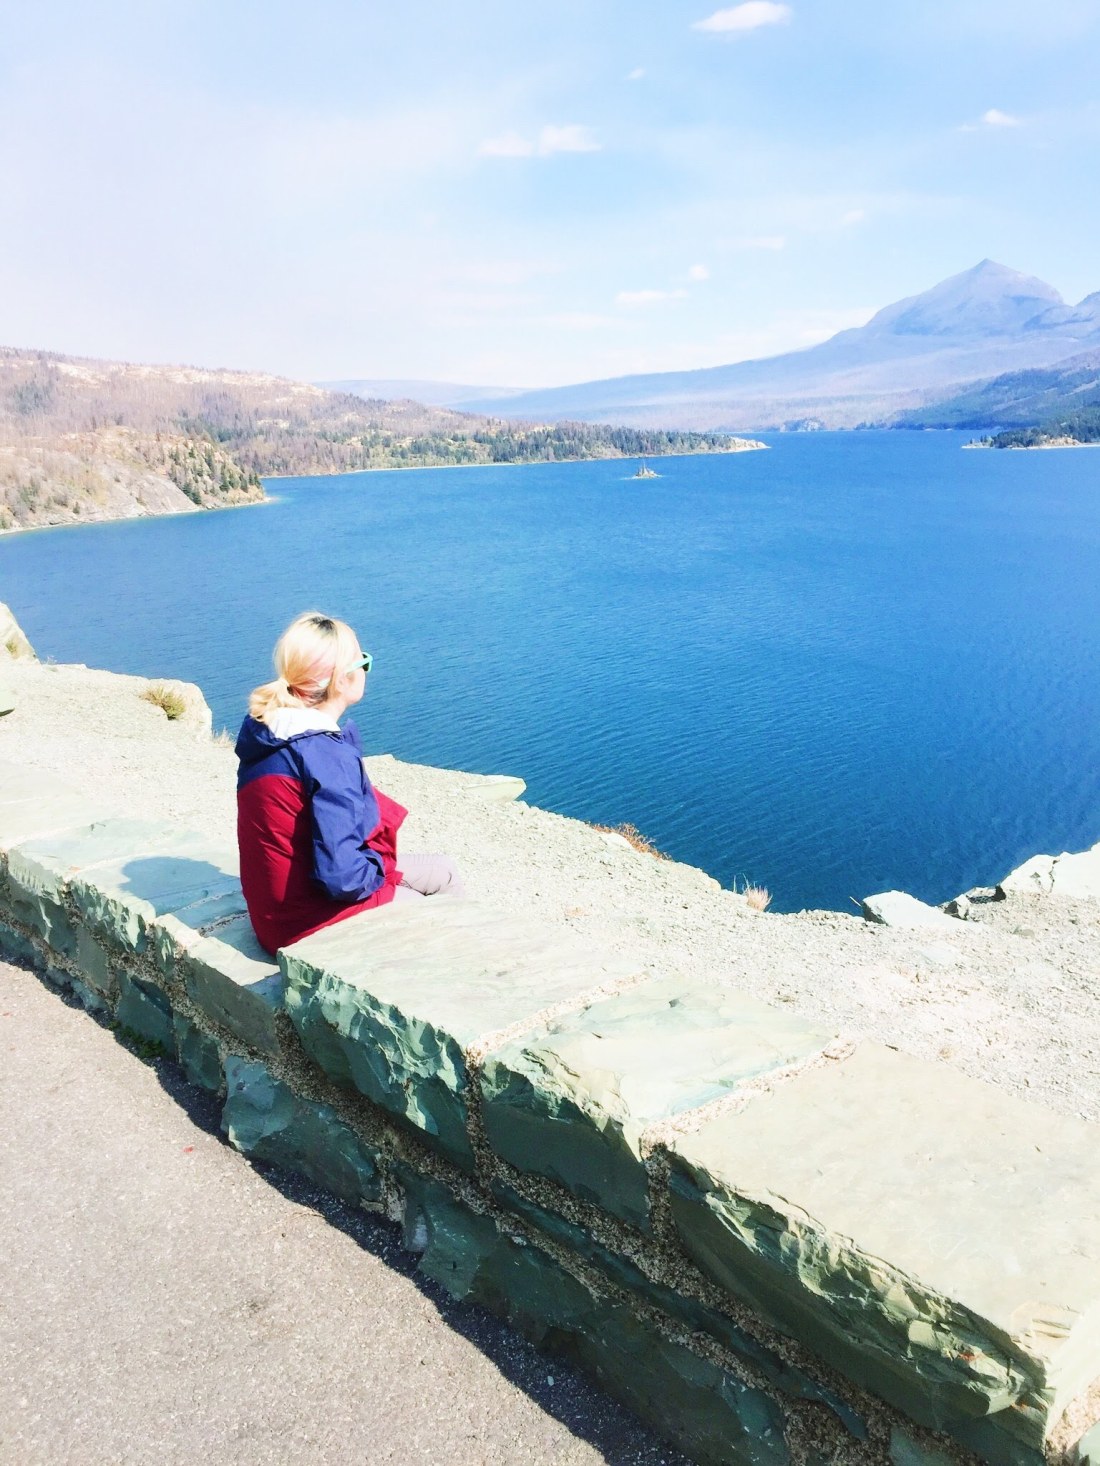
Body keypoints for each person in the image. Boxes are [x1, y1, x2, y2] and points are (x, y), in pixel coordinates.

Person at [236, 611, 465, 955]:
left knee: (442, 871)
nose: (366, 669)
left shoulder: (270, 732)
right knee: (432, 916)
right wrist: (384, 871)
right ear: (341, 680)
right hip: (305, 923)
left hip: (275, 915)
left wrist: (382, 869)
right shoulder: (324, 755)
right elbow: (342, 878)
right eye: (363, 662)